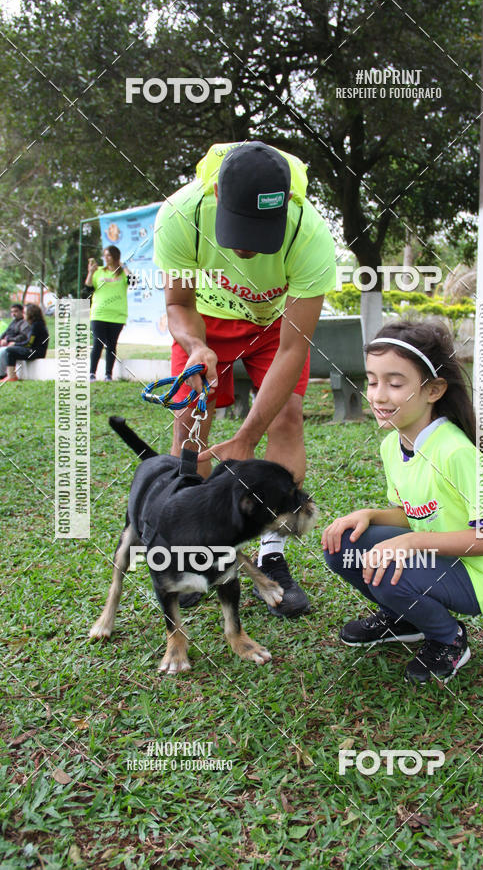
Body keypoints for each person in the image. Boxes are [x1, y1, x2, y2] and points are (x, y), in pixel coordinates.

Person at [154, 141, 336, 618]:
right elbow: (177, 304)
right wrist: (197, 347)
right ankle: (197, 553)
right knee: (190, 420)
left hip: (276, 325)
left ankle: (272, 555)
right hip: (205, 321)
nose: (246, 245)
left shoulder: (311, 234)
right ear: (215, 193)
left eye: (261, 232)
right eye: (238, 228)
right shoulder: (180, 215)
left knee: (288, 418)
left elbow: (295, 346)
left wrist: (247, 436)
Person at [322, 320, 483, 684]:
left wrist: (411, 543)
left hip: (480, 575)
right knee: (342, 546)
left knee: (392, 567)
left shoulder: (455, 452)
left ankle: (448, 638)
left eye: (395, 383)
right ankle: (405, 618)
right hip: (439, 559)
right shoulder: (392, 445)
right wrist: (370, 515)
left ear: (434, 390)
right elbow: (416, 514)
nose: (377, 395)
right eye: (373, 381)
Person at [85, 245, 128, 380]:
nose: (106, 258)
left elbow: (133, 281)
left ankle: (108, 374)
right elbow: (87, 287)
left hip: (117, 315)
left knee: (111, 345)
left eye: (109, 255)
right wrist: (90, 272)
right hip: (99, 313)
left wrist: (124, 267)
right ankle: (92, 373)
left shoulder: (122, 273)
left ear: (115, 256)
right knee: (98, 343)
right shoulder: (98, 271)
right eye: (105, 255)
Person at [1, 303, 49, 381]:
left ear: (30, 314)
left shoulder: (36, 325)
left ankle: (11, 376)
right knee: (11, 351)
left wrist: (15, 344)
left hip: (35, 352)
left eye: (24, 312)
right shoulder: (36, 324)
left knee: (9, 350)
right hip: (34, 350)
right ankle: (11, 375)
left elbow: (29, 343)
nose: (23, 315)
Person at [0, 303, 29, 381]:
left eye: (16, 311)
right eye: (12, 312)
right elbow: (4, 333)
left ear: (22, 311)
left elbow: (22, 336)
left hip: (16, 345)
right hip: (7, 343)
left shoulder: (24, 323)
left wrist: (8, 340)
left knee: (1, 351)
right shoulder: (13, 322)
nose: (13, 314)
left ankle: (1, 374)